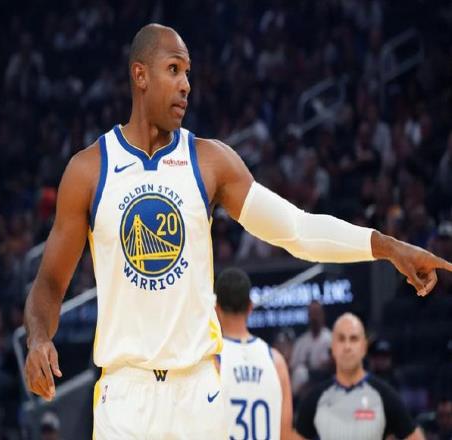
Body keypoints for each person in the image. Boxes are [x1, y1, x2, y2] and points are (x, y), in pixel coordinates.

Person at [24, 23, 452, 439]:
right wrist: (39, 338)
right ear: (140, 75)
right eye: (173, 69)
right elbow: (49, 283)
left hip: (198, 392)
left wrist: (388, 247)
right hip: (123, 393)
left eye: (188, 72)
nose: (186, 84)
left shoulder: (210, 161)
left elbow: (297, 230)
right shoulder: (89, 170)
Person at [294, 313, 424, 440]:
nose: (347, 347)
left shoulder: (385, 395)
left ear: (363, 347)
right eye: (341, 339)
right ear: (333, 347)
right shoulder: (315, 399)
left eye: (353, 339)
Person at [214, 267, 292, 439]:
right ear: (250, 306)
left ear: (216, 308)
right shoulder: (276, 361)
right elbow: (286, 435)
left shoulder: (212, 363)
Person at [290, 300, 332, 396]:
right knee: (300, 372)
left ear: (322, 315)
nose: (314, 317)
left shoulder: (330, 339)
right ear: (308, 316)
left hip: (324, 385)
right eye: (312, 314)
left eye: (317, 313)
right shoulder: (301, 342)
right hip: (303, 392)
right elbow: (292, 367)